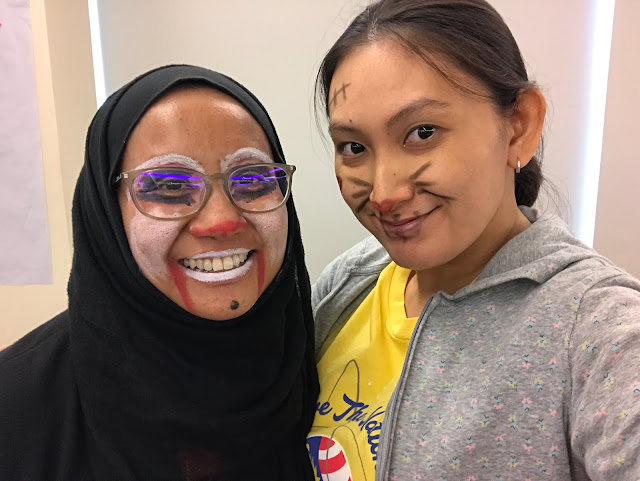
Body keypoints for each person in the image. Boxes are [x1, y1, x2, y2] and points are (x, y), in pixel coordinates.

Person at [307, 1, 640, 480]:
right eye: (354, 147)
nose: (383, 193)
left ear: (519, 125)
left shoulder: (596, 329)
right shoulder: (348, 283)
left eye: (422, 132)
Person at [0, 65, 319, 481]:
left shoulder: (323, 362)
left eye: (253, 179)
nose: (221, 222)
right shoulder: (15, 406)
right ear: (106, 213)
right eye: (169, 186)